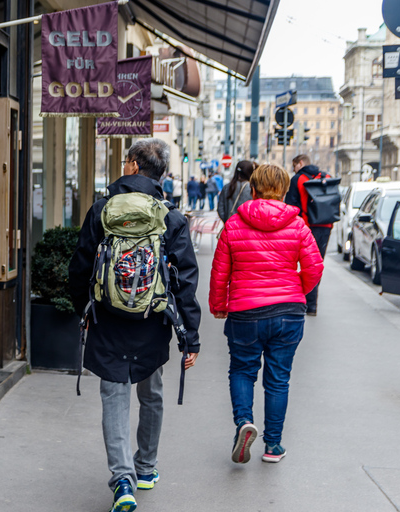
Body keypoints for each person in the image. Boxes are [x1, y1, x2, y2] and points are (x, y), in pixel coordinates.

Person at [68, 138, 201, 512]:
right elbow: (185, 283)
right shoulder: (171, 218)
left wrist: (87, 310)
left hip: (108, 321)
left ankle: (122, 480)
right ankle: (145, 468)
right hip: (152, 322)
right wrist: (190, 338)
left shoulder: (102, 210)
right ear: (162, 174)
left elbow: (78, 269)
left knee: (114, 397)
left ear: (130, 165)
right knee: (151, 392)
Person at [209, 164, 323, 465]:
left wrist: (219, 304)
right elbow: (314, 267)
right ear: (285, 190)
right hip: (288, 312)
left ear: (254, 189)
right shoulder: (298, 225)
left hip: (245, 312)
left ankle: (244, 422)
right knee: (278, 380)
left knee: (243, 370)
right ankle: (273, 446)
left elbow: (220, 272)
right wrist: (297, 289)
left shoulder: (234, 224)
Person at [284, 154, 331, 316]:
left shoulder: (298, 179)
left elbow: (290, 206)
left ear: (301, 163)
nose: (293, 169)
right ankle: (312, 305)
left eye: (294, 165)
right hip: (325, 226)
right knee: (315, 265)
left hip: (304, 227)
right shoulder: (326, 176)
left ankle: (297, 300)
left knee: (292, 264)